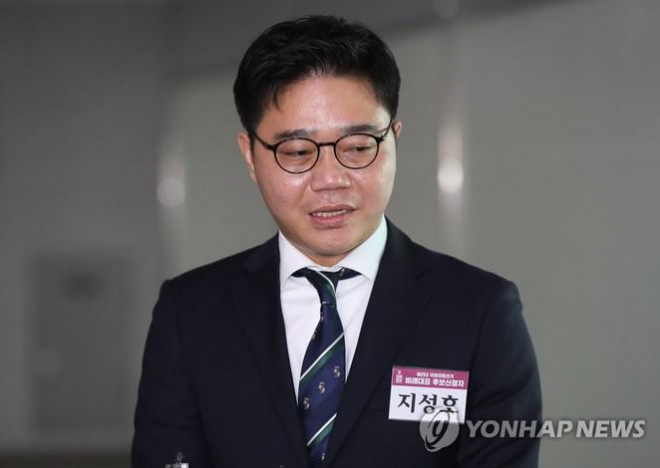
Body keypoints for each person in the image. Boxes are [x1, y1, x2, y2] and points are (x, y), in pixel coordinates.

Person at [132, 15, 541, 468]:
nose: (330, 179)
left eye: (359, 146)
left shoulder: (479, 312)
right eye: (297, 152)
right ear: (250, 155)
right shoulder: (190, 313)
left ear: (394, 141)